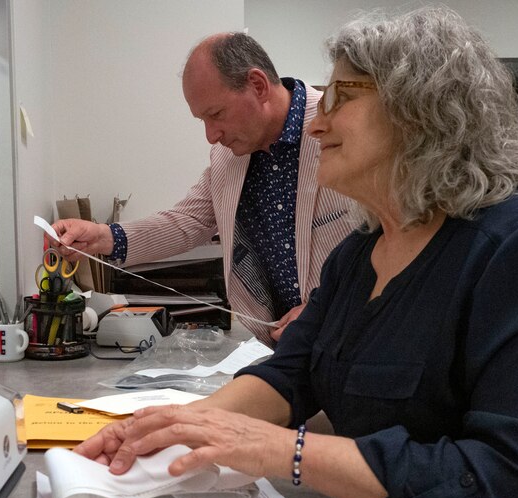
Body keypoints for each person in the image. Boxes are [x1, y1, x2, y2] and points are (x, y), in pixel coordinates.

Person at [74, 7, 518, 498]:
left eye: (340, 96)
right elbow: (292, 374)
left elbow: (511, 489)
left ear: (421, 106)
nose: (316, 126)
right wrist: (181, 426)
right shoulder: (361, 254)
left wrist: (285, 452)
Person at [50, 33, 354, 345]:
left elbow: (395, 242)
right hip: (287, 348)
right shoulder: (228, 156)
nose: (211, 135)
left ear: (258, 86)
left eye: (216, 114)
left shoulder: (338, 126)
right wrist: (102, 237)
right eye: (202, 120)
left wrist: (324, 308)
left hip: (355, 340)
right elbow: (187, 222)